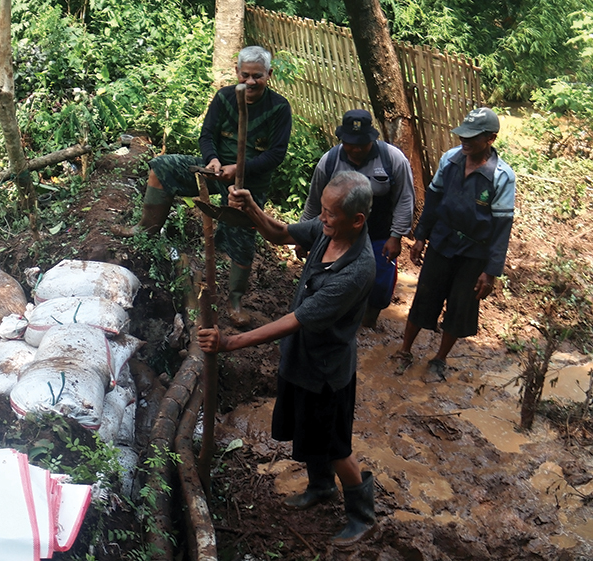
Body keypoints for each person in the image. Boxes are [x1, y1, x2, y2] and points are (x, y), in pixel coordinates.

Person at [199, 171, 378, 546]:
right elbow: (280, 234)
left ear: (357, 220)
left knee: (335, 446)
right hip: (301, 359)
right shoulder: (329, 232)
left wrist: (230, 342)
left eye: (330, 213)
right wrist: (251, 209)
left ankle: (362, 516)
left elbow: (295, 321)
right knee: (307, 429)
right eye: (323, 210)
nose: (321, 218)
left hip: (327, 371)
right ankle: (321, 487)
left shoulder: (356, 270)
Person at [111, 45, 292, 328]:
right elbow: (207, 135)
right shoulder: (223, 98)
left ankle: (234, 300)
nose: (251, 82)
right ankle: (145, 229)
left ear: (269, 74)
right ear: (237, 72)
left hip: (247, 184)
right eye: (245, 75)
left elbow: (275, 155)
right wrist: (214, 160)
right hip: (213, 171)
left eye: (258, 76)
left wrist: (239, 170)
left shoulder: (279, 108)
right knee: (162, 167)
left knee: (242, 239)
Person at [391, 107, 516, 382]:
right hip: (442, 242)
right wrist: (421, 236)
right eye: (463, 135)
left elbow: (501, 228)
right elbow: (434, 200)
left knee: (460, 307)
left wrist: (491, 271)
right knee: (425, 296)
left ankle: (439, 358)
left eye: (473, 137)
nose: (465, 141)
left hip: (474, 253)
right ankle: (405, 350)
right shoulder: (450, 159)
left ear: (490, 139)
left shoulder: (502, 176)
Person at [298, 109, 415, 328]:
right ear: (341, 139)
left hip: (379, 235)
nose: (357, 149)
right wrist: (304, 236)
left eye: (362, 143)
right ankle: (339, 321)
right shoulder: (330, 161)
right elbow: (314, 201)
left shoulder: (392, 159)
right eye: (351, 143)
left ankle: (369, 321)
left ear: (372, 138)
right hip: (339, 236)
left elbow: (405, 199)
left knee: (380, 283)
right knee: (335, 279)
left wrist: (396, 236)